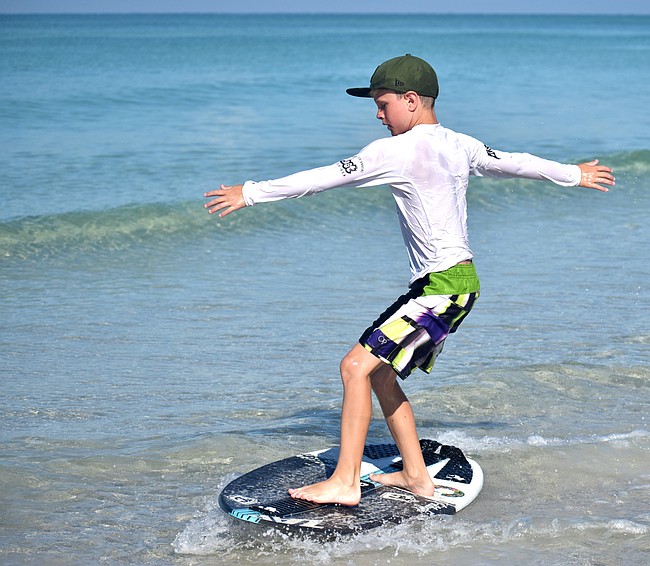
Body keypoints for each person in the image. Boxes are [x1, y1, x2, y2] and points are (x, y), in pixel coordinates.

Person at [204, 54, 615, 506]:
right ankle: (416, 476)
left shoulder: (393, 151)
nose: (378, 116)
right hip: (453, 286)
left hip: (442, 287)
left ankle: (344, 482)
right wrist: (575, 174)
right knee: (377, 375)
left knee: (353, 367)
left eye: (383, 105)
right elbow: (517, 162)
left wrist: (251, 192)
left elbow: (322, 178)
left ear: (412, 100)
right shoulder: (461, 143)